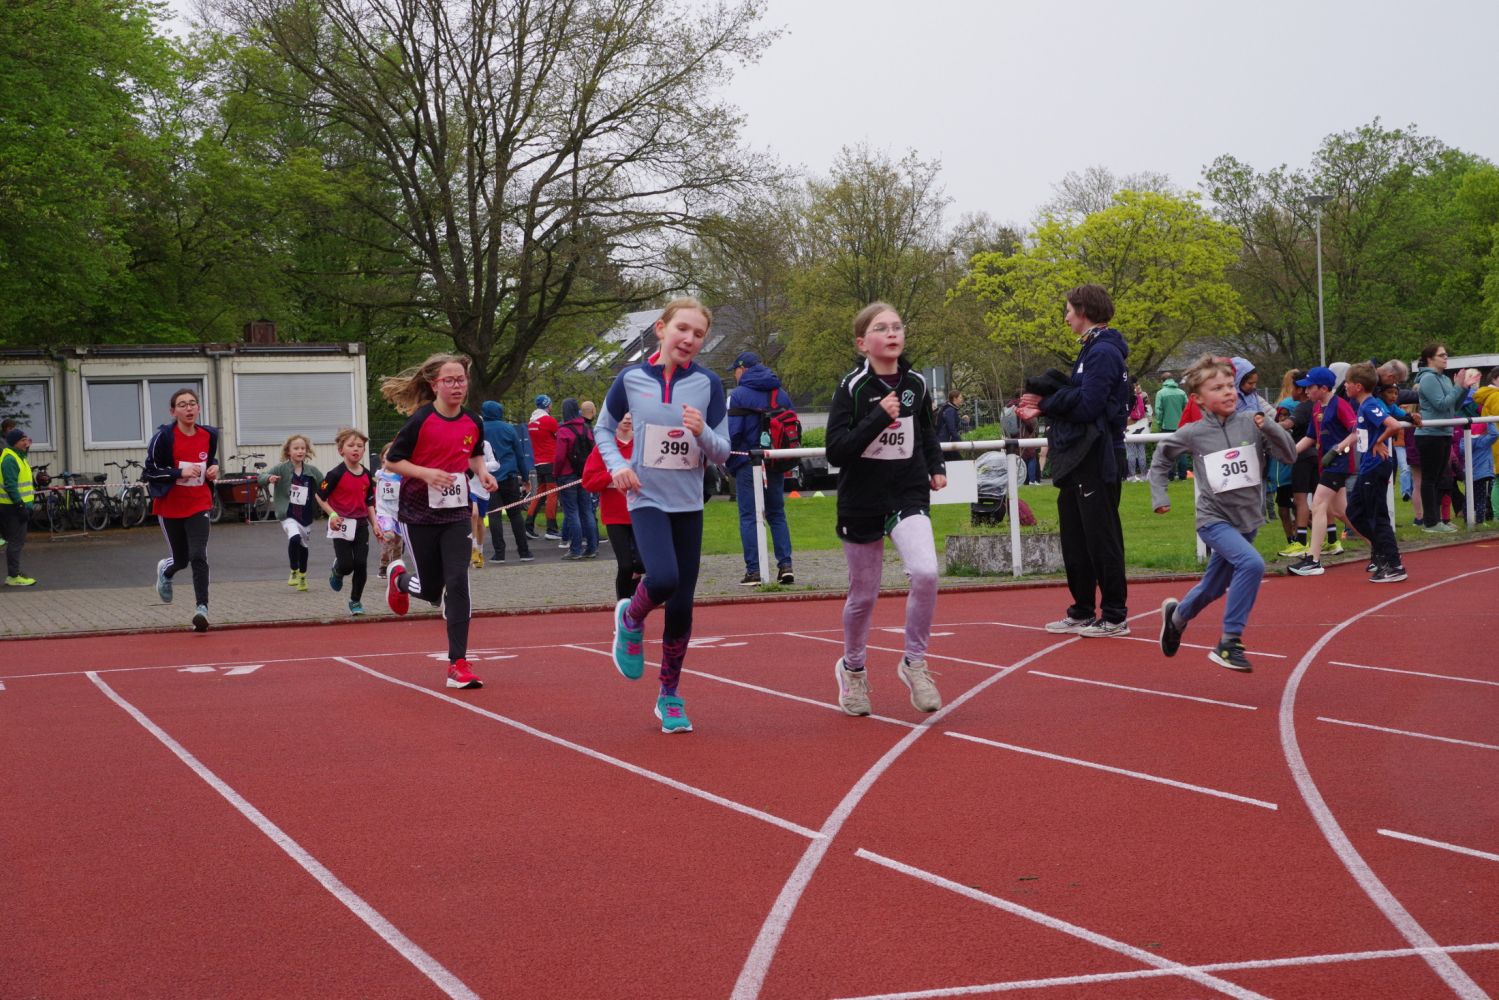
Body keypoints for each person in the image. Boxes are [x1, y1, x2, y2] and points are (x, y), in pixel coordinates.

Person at [596, 297, 731, 734]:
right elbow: (602, 428)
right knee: (664, 578)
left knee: (682, 606)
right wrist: (617, 466)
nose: (689, 339)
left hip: (689, 504)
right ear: (661, 329)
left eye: (698, 334)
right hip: (646, 498)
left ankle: (669, 695)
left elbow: (723, 452)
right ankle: (631, 618)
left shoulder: (709, 384)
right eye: (682, 329)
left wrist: (702, 431)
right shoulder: (631, 378)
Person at [826, 301, 947, 715]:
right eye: (882, 328)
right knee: (863, 595)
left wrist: (936, 466)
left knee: (926, 573)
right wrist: (878, 417)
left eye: (897, 326)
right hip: (862, 498)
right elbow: (836, 450)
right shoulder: (852, 388)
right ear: (863, 343)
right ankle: (853, 669)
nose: (893, 333)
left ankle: (915, 662)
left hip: (907, 493)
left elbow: (926, 431)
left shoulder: (916, 384)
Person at [1152, 356, 1296, 671]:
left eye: (1230, 386)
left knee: (1214, 587)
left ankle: (1176, 618)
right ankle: (1229, 642)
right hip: (1213, 519)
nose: (1228, 392)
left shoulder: (1251, 423)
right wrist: (1160, 495)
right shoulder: (1193, 433)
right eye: (1217, 388)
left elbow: (1289, 455)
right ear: (1198, 399)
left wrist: (1269, 426)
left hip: (1247, 521)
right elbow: (1161, 458)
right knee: (1252, 564)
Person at [1017, 284, 1131, 637]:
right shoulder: (1090, 349)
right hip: (1079, 456)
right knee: (1075, 536)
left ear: (1083, 311)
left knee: (1101, 535)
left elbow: (1088, 405)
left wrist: (1045, 405)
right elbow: (1079, 398)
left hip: (1098, 455)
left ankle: (1114, 615)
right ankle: (1082, 609)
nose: (1065, 318)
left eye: (1067, 311)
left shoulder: (1104, 352)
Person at [381, 353, 498, 690]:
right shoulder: (421, 420)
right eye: (450, 380)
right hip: (418, 513)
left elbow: (474, 454)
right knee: (432, 590)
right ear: (434, 385)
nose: (457, 386)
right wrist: (426, 473)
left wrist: (482, 473)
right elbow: (392, 461)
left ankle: (458, 664)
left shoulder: (473, 420)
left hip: (457, 513)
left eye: (461, 379)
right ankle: (400, 580)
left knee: (458, 581)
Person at [144, 388, 218, 632]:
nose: (188, 408)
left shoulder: (209, 435)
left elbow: (209, 459)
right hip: (171, 506)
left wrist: (213, 469)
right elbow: (150, 471)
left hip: (199, 503)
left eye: (192, 403)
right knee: (181, 559)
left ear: (199, 408)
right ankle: (166, 571)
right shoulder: (164, 437)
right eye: (183, 404)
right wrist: (179, 472)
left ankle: (202, 609)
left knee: (198, 555)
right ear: (173, 411)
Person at [726, 350, 795, 585]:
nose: (734, 375)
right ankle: (785, 565)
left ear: (742, 369)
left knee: (749, 516)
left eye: (735, 371)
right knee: (777, 513)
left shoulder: (738, 395)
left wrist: (730, 462)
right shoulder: (780, 393)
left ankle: (754, 571)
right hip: (775, 460)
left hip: (747, 461)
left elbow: (733, 433)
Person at [1343, 363, 1408, 583]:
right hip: (1367, 467)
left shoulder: (1370, 405)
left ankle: (1394, 565)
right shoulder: (1362, 405)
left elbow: (1394, 425)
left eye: (1348, 383)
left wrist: (1379, 441)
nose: (1345, 386)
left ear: (1358, 386)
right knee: (1354, 513)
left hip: (1375, 466)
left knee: (1377, 516)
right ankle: (1382, 551)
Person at [1288, 367, 1356, 577]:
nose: (1306, 391)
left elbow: (1356, 432)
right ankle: (1381, 548)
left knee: (1318, 505)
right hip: (1326, 465)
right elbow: (1310, 437)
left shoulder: (1340, 405)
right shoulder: (1317, 407)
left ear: (1324, 388)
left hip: (1338, 465)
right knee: (1342, 513)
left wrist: (1337, 450)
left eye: (1310, 387)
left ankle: (1313, 559)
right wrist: (1290, 453)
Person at [315, 428, 385, 615]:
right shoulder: (335, 474)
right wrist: (332, 514)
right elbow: (320, 496)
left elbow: (369, 502)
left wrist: (375, 524)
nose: (356, 449)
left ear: (364, 450)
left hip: (361, 525)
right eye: (351, 445)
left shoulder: (367, 475)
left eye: (360, 446)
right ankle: (338, 570)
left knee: (361, 564)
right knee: (347, 565)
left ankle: (355, 600)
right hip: (341, 525)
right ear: (341, 450)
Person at [1414, 344, 1481, 532]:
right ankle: (1430, 522)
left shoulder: (1443, 378)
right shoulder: (1428, 378)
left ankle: (1438, 521)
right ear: (1430, 359)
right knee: (1430, 479)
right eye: (1441, 355)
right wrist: (1458, 386)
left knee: (1439, 479)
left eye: (1446, 355)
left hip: (1444, 433)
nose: (1446, 358)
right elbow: (1442, 405)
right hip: (1430, 435)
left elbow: (1454, 406)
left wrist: (1464, 388)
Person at [582, 412, 644, 599]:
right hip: (615, 516)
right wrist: (615, 473)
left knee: (642, 563)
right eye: (622, 415)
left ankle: (634, 601)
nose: (627, 419)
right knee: (625, 566)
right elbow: (588, 482)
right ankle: (623, 608)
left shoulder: (643, 445)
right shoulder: (604, 449)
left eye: (631, 414)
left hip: (643, 513)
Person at [260, 434, 323, 592]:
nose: (300, 451)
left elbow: (324, 484)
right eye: (296, 448)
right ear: (288, 451)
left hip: (305, 515)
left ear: (306, 451)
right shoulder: (281, 468)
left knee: (303, 546)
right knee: (294, 538)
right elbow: (261, 477)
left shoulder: (312, 471)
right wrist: (269, 478)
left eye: (302, 448)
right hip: (288, 514)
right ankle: (294, 570)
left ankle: (302, 576)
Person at [479, 401, 533, 562]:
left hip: (489, 477)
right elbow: (519, 455)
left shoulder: (479, 429)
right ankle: (524, 552)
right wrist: (525, 478)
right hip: (509, 477)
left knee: (494, 514)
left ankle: (499, 553)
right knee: (515, 514)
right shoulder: (508, 429)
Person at [553, 397, 599, 560]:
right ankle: (592, 547)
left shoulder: (563, 431)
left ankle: (576, 549)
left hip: (567, 475)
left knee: (572, 512)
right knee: (587, 511)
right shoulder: (587, 429)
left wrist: (556, 473)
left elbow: (559, 457)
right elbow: (594, 451)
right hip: (584, 475)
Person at [0, 428, 37, 586]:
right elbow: (11, 485)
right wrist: (21, 505)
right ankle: (13, 576)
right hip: (13, 508)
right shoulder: (10, 459)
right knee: (16, 542)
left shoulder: (19, 456)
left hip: (15, 506)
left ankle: (14, 573)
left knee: (14, 542)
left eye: (26, 440)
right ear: (14, 442)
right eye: (23, 440)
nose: (26, 443)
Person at [525, 394, 561, 540]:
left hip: (539, 462)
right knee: (552, 494)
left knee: (539, 495)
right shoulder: (549, 421)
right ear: (547, 405)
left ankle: (528, 525)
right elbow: (560, 438)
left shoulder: (531, 422)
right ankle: (551, 528)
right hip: (551, 461)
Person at [374, 443, 406, 578]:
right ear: (382, 457)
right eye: (387, 454)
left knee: (398, 542)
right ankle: (384, 565)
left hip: (398, 512)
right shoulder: (379, 474)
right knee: (389, 537)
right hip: (384, 512)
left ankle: (396, 566)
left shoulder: (401, 475)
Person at [1153, 373, 1189, 479]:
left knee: (1168, 452)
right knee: (1182, 451)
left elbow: (1158, 411)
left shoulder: (1160, 393)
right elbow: (1187, 409)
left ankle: (1170, 475)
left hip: (1166, 426)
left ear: (1162, 381)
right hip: (1181, 426)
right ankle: (1183, 475)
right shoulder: (1181, 392)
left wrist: (1159, 424)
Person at [1124, 379, 1150, 481]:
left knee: (1130, 452)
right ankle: (1144, 475)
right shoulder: (1142, 395)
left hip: (1129, 424)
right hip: (1141, 425)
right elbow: (1148, 411)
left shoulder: (1124, 395)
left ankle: (1132, 475)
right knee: (1141, 451)